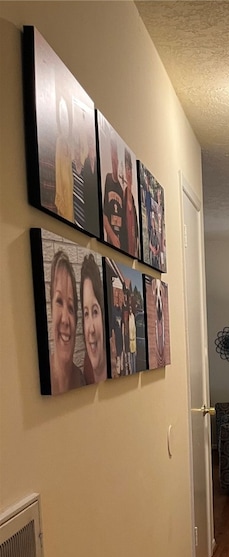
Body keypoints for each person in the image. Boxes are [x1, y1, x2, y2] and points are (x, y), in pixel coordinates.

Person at [48, 250, 85, 394]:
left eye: (70, 308)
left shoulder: (82, 380)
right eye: (58, 301)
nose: (65, 319)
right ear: (51, 308)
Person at [80, 254, 107, 384]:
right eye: (86, 313)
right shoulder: (85, 368)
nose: (90, 329)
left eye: (95, 312)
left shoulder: (116, 364)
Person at [103, 130, 124, 248]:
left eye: (115, 154)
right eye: (112, 153)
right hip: (110, 243)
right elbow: (104, 214)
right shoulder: (108, 179)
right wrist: (111, 235)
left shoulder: (122, 189)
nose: (114, 158)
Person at [54, 96, 74, 222]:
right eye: (62, 118)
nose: (64, 122)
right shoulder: (59, 144)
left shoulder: (69, 148)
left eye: (66, 118)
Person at [122, 150, 139, 257]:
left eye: (130, 170)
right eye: (127, 169)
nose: (129, 173)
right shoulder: (121, 199)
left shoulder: (133, 204)